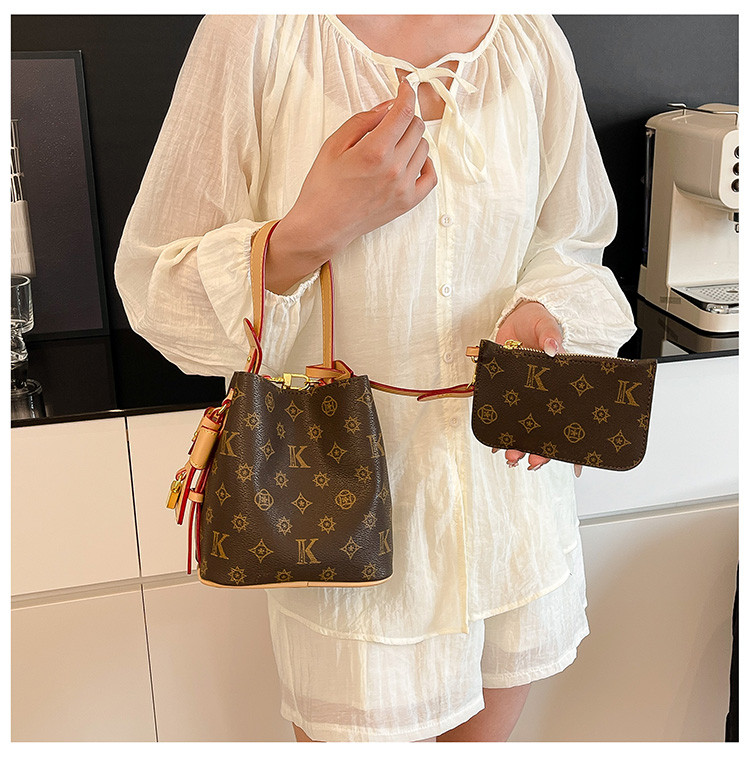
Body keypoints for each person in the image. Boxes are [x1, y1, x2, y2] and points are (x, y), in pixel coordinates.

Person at [115, 14, 637, 742]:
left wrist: (543, 313)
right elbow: (156, 285)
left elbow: (572, 241)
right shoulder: (258, 31)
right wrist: (309, 231)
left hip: (509, 511)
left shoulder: (528, 35)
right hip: (343, 515)